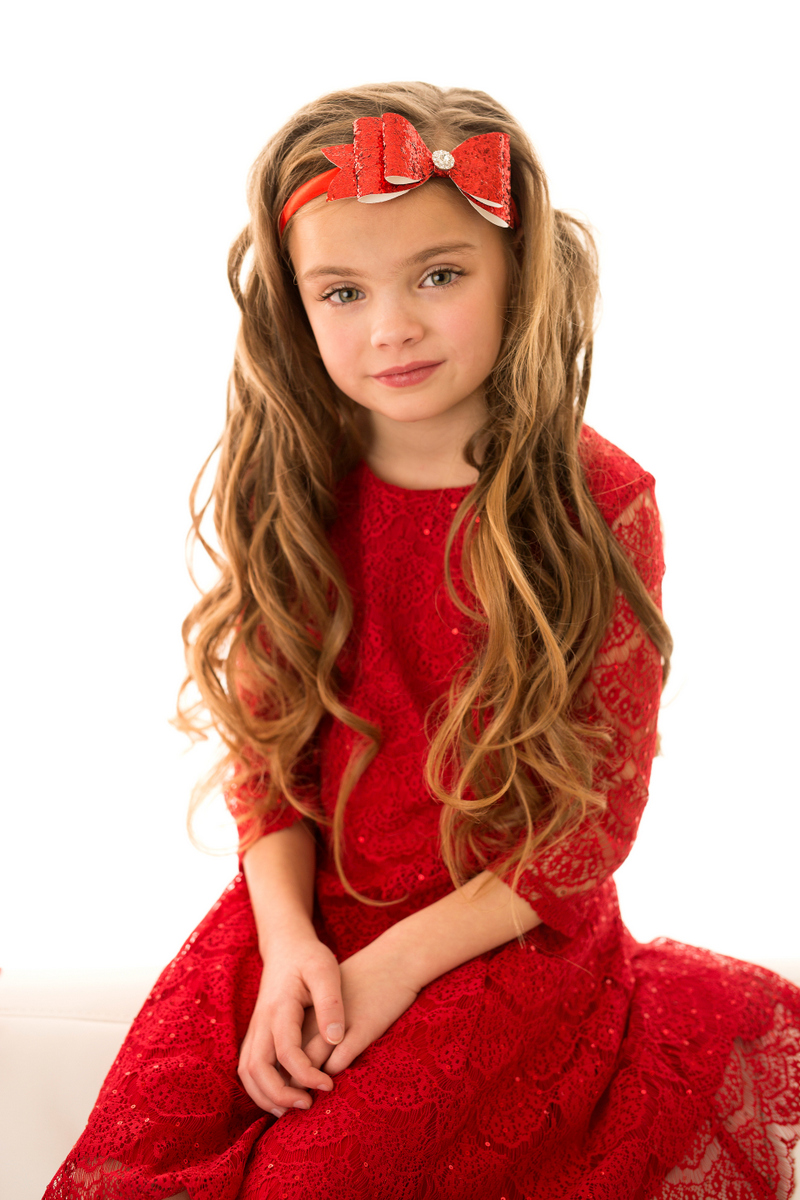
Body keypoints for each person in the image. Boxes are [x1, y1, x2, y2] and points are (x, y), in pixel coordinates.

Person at [44, 82, 800, 1200]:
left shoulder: (598, 503)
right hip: (309, 906)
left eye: (438, 276)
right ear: (297, 305)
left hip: (503, 928)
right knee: (138, 1155)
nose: (390, 327)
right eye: (343, 292)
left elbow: (587, 826)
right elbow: (269, 761)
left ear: (517, 273)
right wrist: (291, 945)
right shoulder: (290, 485)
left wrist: (393, 968)